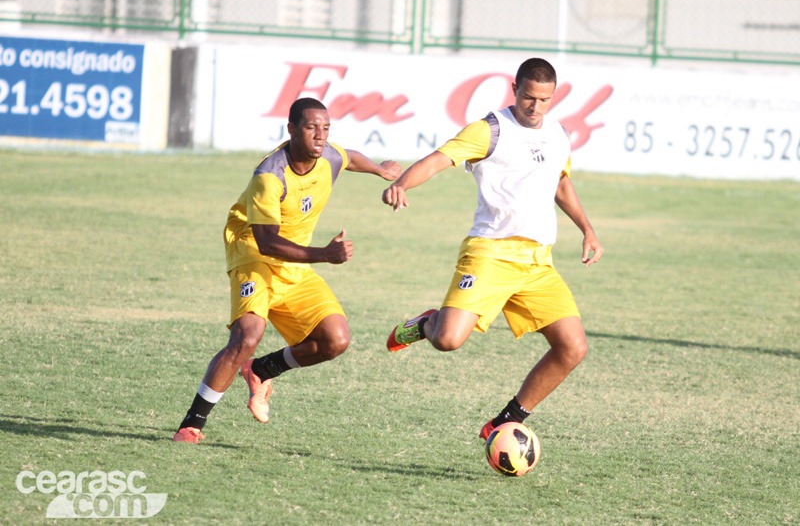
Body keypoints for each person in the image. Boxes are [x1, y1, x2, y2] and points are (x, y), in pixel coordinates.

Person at [381, 58, 604, 440]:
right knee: (448, 340)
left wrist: (587, 229)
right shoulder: (489, 130)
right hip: (489, 253)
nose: (535, 108)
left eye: (544, 100)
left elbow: (560, 183)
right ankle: (425, 323)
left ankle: (505, 421)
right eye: (529, 97)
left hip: (537, 262)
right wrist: (402, 183)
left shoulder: (558, 134)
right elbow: (438, 160)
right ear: (514, 88)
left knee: (573, 347)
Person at [174, 97, 401, 443]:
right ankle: (192, 425)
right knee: (247, 336)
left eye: (326, 128)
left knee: (335, 340)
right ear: (292, 129)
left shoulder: (328, 156)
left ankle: (262, 371)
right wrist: (324, 254)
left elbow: (350, 157)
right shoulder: (270, 176)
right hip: (253, 253)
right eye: (311, 128)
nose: (320, 136)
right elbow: (266, 242)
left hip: (294, 263)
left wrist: (380, 171)